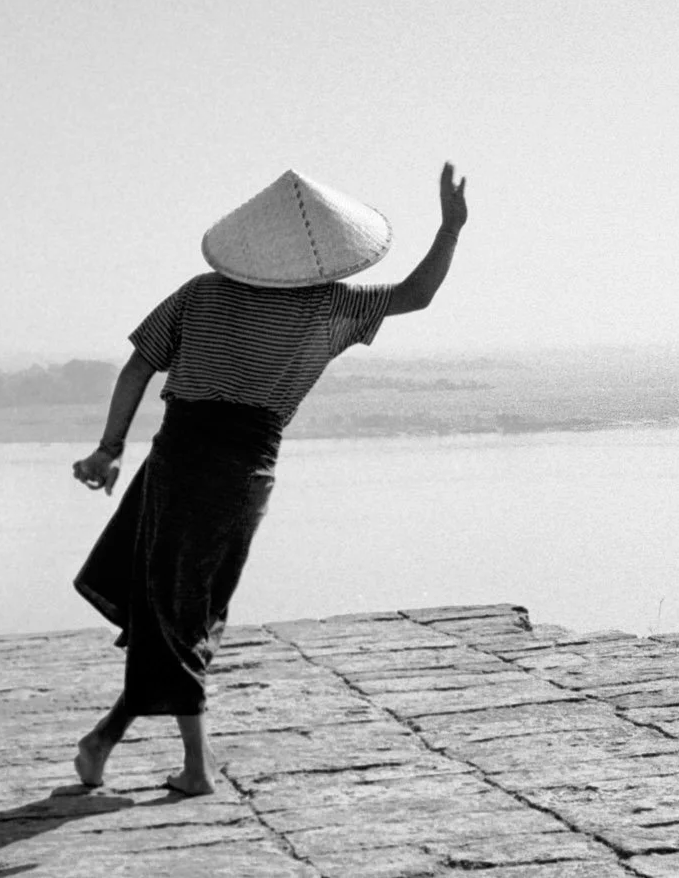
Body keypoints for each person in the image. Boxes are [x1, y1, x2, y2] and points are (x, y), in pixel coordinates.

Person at [68, 163, 468, 796]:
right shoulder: (333, 306)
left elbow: (138, 366)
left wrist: (109, 448)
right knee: (179, 607)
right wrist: (450, 230)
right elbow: (416, 294)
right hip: (246, 472)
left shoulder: (201, 293)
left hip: (182, 461)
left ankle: (190, 766)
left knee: (179, 608)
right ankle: (106, 742)